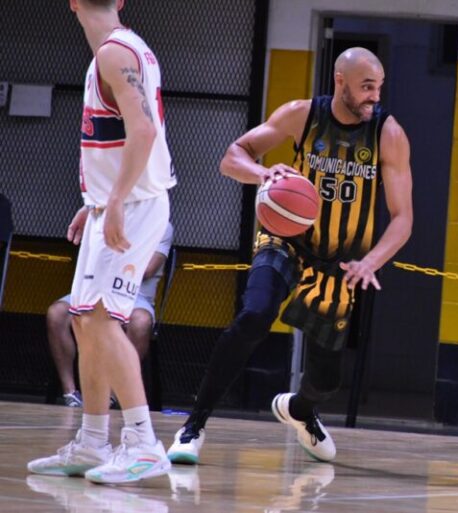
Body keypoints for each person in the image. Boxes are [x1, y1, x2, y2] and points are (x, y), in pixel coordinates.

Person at [167, 47, 413, 464]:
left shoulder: (387, 134)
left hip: (340, 261)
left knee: (327, 380)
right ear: (341, 82)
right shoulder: (303, 115)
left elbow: (403, 218)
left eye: (379, 87)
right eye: (366, 86)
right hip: (286, 242)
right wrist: (263, 174)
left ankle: (299, 410)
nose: (375, 95)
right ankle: (193, 426)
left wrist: (373, 260)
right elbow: (232, 157)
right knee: (254, 315)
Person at [27, 0, 176, 484]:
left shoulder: (116, 53)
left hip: (134, 206)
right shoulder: (115, 53)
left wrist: (113, 201)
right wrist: (95, 197)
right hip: (112, 203)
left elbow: (144, 131)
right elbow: (116, 139)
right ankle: (92, 442)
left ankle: (143, 444)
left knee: (103, 321)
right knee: (83, 320)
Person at [48, 221, 173, 407]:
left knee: (141, 322)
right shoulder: (102, 215)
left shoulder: (160, 223)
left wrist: (112, 256)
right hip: (95, 288)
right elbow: (91, 260)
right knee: (56, 313)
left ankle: (112, 396)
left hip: (134, 295)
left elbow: (147, 270)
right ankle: (70, 393)